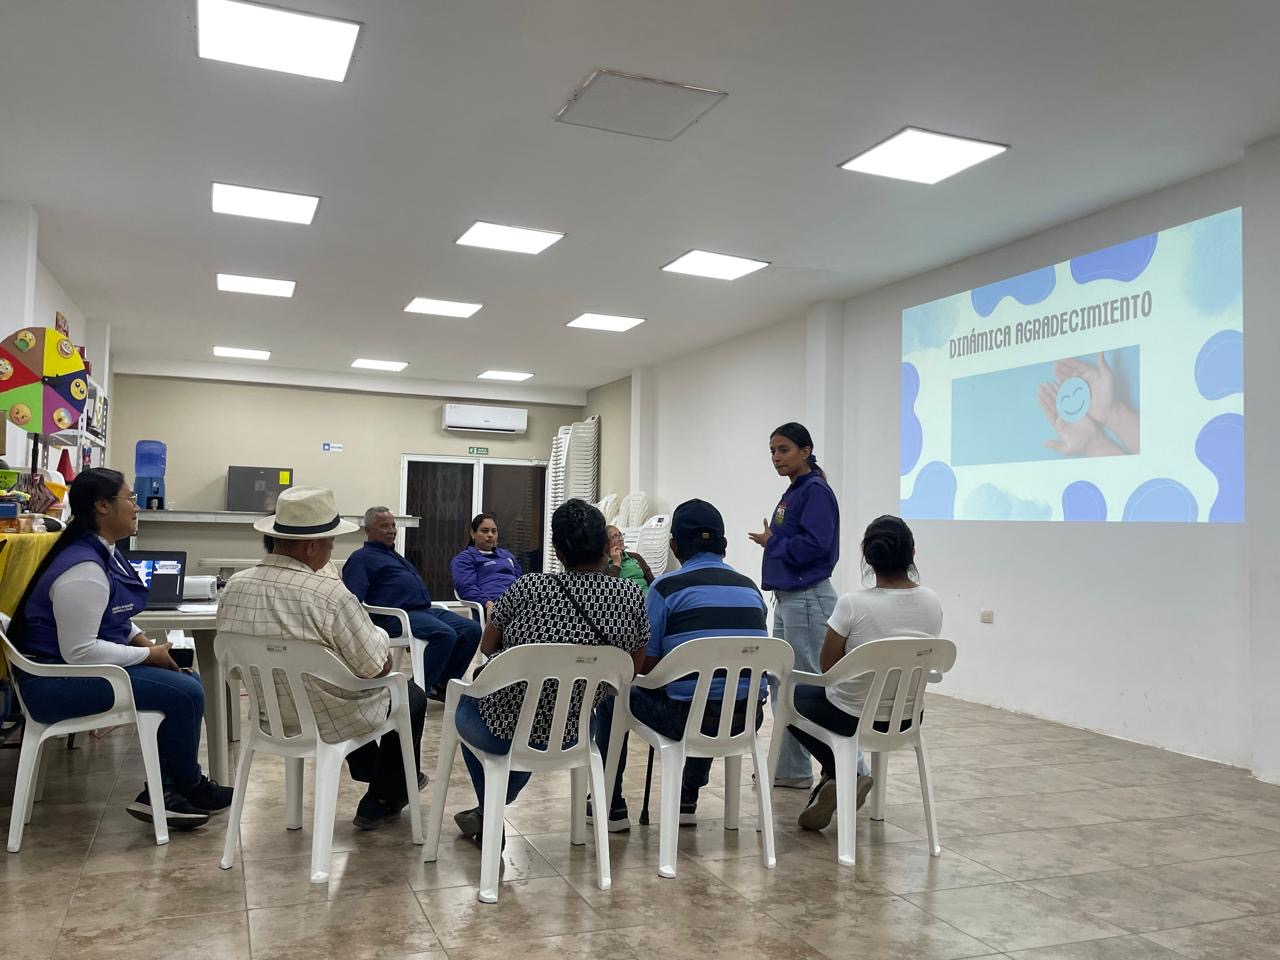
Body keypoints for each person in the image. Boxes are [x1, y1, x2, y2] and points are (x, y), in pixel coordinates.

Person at [7, 468, 232, 830]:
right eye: (130, 498)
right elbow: (80, 652)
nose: (137, 507)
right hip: (52, 685)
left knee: (186, 681)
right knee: (186, 692)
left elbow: (113, 617)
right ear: (102, 506)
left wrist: (144, 643)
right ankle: (182, 788)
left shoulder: (101, 552)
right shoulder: (83, 569)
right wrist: (147, 656)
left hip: (70, 672)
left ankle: (170, 789)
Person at [218, 487, 429, 830]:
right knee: (410, 694)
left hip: (269, 716)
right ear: (312, 547)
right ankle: (383, 797)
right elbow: (377, 667)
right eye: (331, 543)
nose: (333, 550)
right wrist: (376, 637)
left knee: (334, 687)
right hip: (329, 719)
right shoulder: (330, 595)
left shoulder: (233, 587)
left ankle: (381, 776)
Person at [452, 499, 648, 847]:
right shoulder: (630, 596)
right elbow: (629, 669)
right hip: (575, 728)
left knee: (470, 705)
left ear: (557, 551)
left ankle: (489, 813)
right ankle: (487, 812)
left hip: (504, 725)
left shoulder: (529, 587)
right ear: (606, 547)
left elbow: (488, 645)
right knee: (538, 721)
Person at [594, 499, 768, 830]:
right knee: (715, 691)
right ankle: (688, 795)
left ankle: (609, 803)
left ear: (674, 546)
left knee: (612, 695)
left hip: (684, 720)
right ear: (724, 544)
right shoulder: (751, 589)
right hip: (747, 718)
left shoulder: (666, 589)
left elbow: (646, 665)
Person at [791, 515, 943, 830]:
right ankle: (839, 777)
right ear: (912, 553)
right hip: (907, 717)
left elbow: (827, 667)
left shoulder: (852, 604)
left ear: (868, 558)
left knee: (791, 697)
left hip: (851, 717)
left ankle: (843, 774)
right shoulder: (932, 602)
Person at [748, 421, 840, 790]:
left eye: (783, 449)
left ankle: (850, 769)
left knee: (806, 688)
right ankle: (791, 768)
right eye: (772, 451)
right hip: (790, 599)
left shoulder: (815, 491)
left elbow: (817, 545)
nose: (776, 457)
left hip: (808, 599)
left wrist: (772, 542)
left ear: (806, 451)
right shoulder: (796, 490)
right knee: (784, 685)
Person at [343, 506, 481, 701]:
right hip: (395, 617)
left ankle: (441, 685)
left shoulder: (393, 555)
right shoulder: (361, 559)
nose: (391, 530)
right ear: (368, 530)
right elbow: (352, 599)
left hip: (424, 611)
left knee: (472, 629)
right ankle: (414, 692)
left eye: (393, 525)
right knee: (445, 634)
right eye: (384, 526)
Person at [450, 513, 521, 614]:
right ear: (473, 533)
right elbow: (466, 587)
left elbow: (520, 580)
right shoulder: (464, 559)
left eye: (494, 531)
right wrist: (487, 603)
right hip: (495, 606)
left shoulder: (506, 555)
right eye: (485, 531)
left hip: (519, 602)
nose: (490, 535)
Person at [604, 524, 654, 594]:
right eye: (614, 537)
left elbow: (652, 581)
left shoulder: (635, 557)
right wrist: (616, 563)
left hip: (648, 597)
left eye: (620, 535)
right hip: (627, 599)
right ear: (606, 543)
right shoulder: (604, 564)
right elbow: (608, 587)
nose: (620, 539)